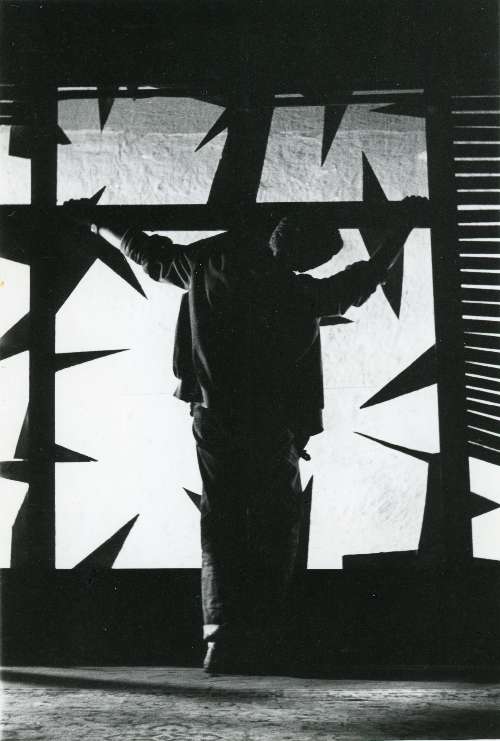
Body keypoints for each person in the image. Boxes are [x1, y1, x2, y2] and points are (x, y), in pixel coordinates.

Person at [64, 196, 424, 673]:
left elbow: (146, 251)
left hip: (212, 415)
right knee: (276, 525)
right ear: (308, 258)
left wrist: (95, 221)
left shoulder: (208, 266)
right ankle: (265, 634)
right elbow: (365, 278)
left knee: (220, 519)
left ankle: (218, 638)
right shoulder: (302, 296)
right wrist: (402, 226)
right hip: (272, 425)